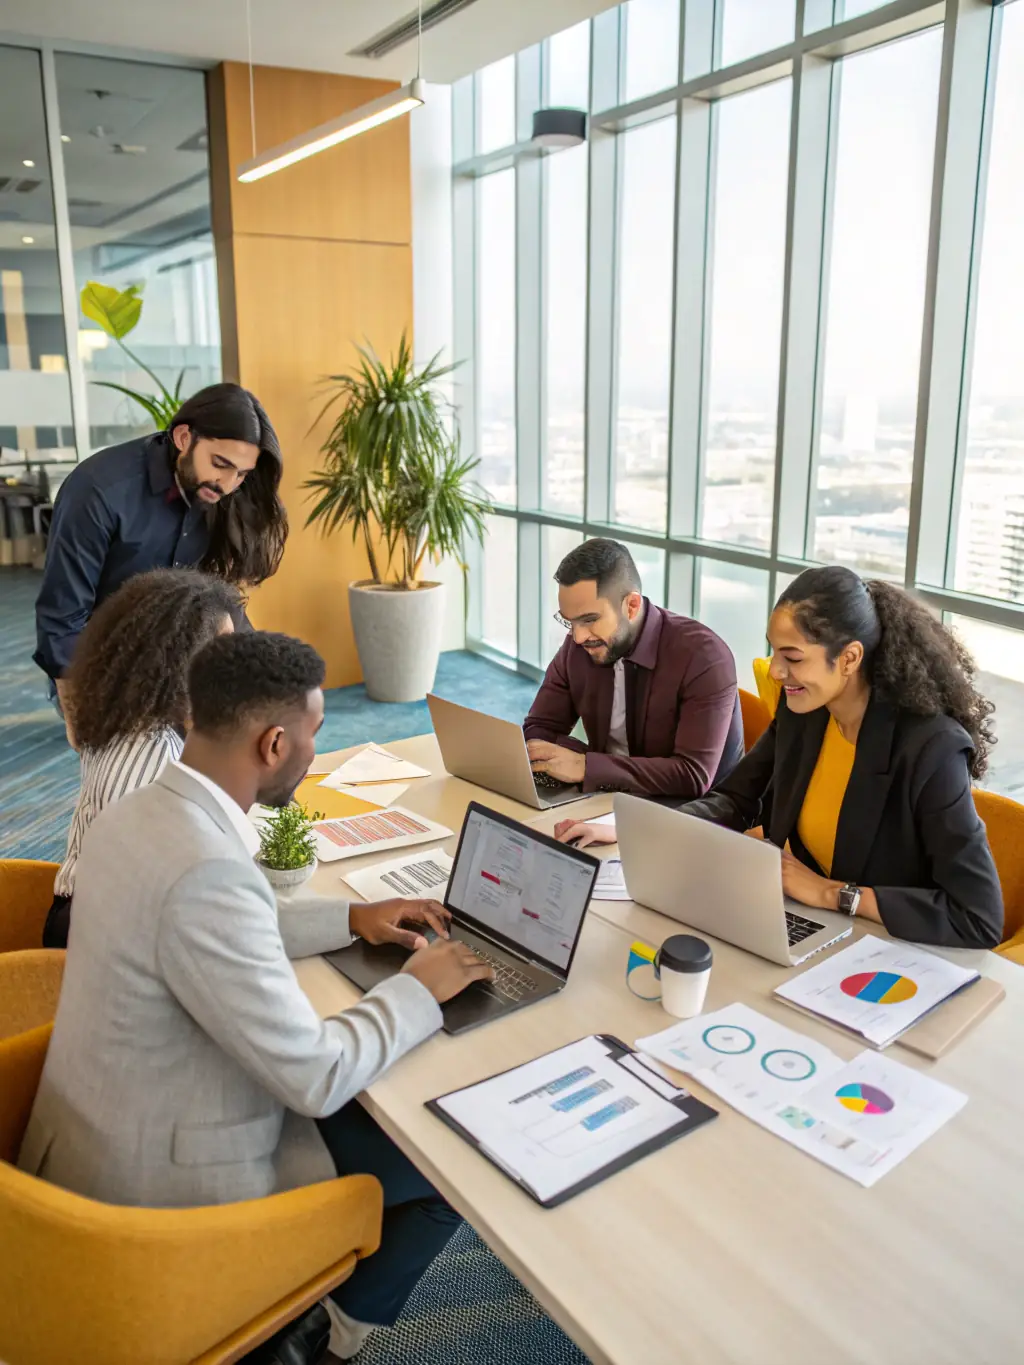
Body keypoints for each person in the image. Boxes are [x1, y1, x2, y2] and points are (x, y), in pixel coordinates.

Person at [20, 630, 492, 1365]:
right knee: (451, 1163)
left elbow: (201, 921)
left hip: (90, 1137)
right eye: (315, 734)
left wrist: (349, 916)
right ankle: (317, 1338)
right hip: (167, 1187)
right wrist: (416, 991)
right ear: (274, 744)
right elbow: (314, 1074)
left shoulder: (136, 815)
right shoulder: (208, 867)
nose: (312, 750)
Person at [554, 565, 1004, 950]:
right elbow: (735, 799)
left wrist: (832, 894)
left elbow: (978, 917)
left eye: (792, 657)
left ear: (848, 659)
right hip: (808, 923)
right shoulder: (804, 712)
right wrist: (643, 831)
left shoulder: (931, 749)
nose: (774, 670)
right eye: (774, 650)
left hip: (887, 947)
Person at [34, 382, 287, 743]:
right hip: (102, 665)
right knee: (128, 782)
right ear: (184, 437)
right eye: (220, 464)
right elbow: (62, 619)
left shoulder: (219, 490)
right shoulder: (98, 491)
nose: (228, 484)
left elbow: (213, 593)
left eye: (242, 474)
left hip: (176, 657)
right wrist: (81, 724)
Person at [42, 568, 241, 949]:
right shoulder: (148, 751)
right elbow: (135, 895)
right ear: (182, 660)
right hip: (96, 935)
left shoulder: (129, 717)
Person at [524, 538, 743, 800]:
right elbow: (539, 728)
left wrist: (586, 765)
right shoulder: (579, 646)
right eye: (569, 621)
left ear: (632, 606)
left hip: (695, 812)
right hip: (610, 796)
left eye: (590, 619)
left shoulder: (704, 657)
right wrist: (576, 763)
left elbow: (691, 776)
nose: (578, 637)